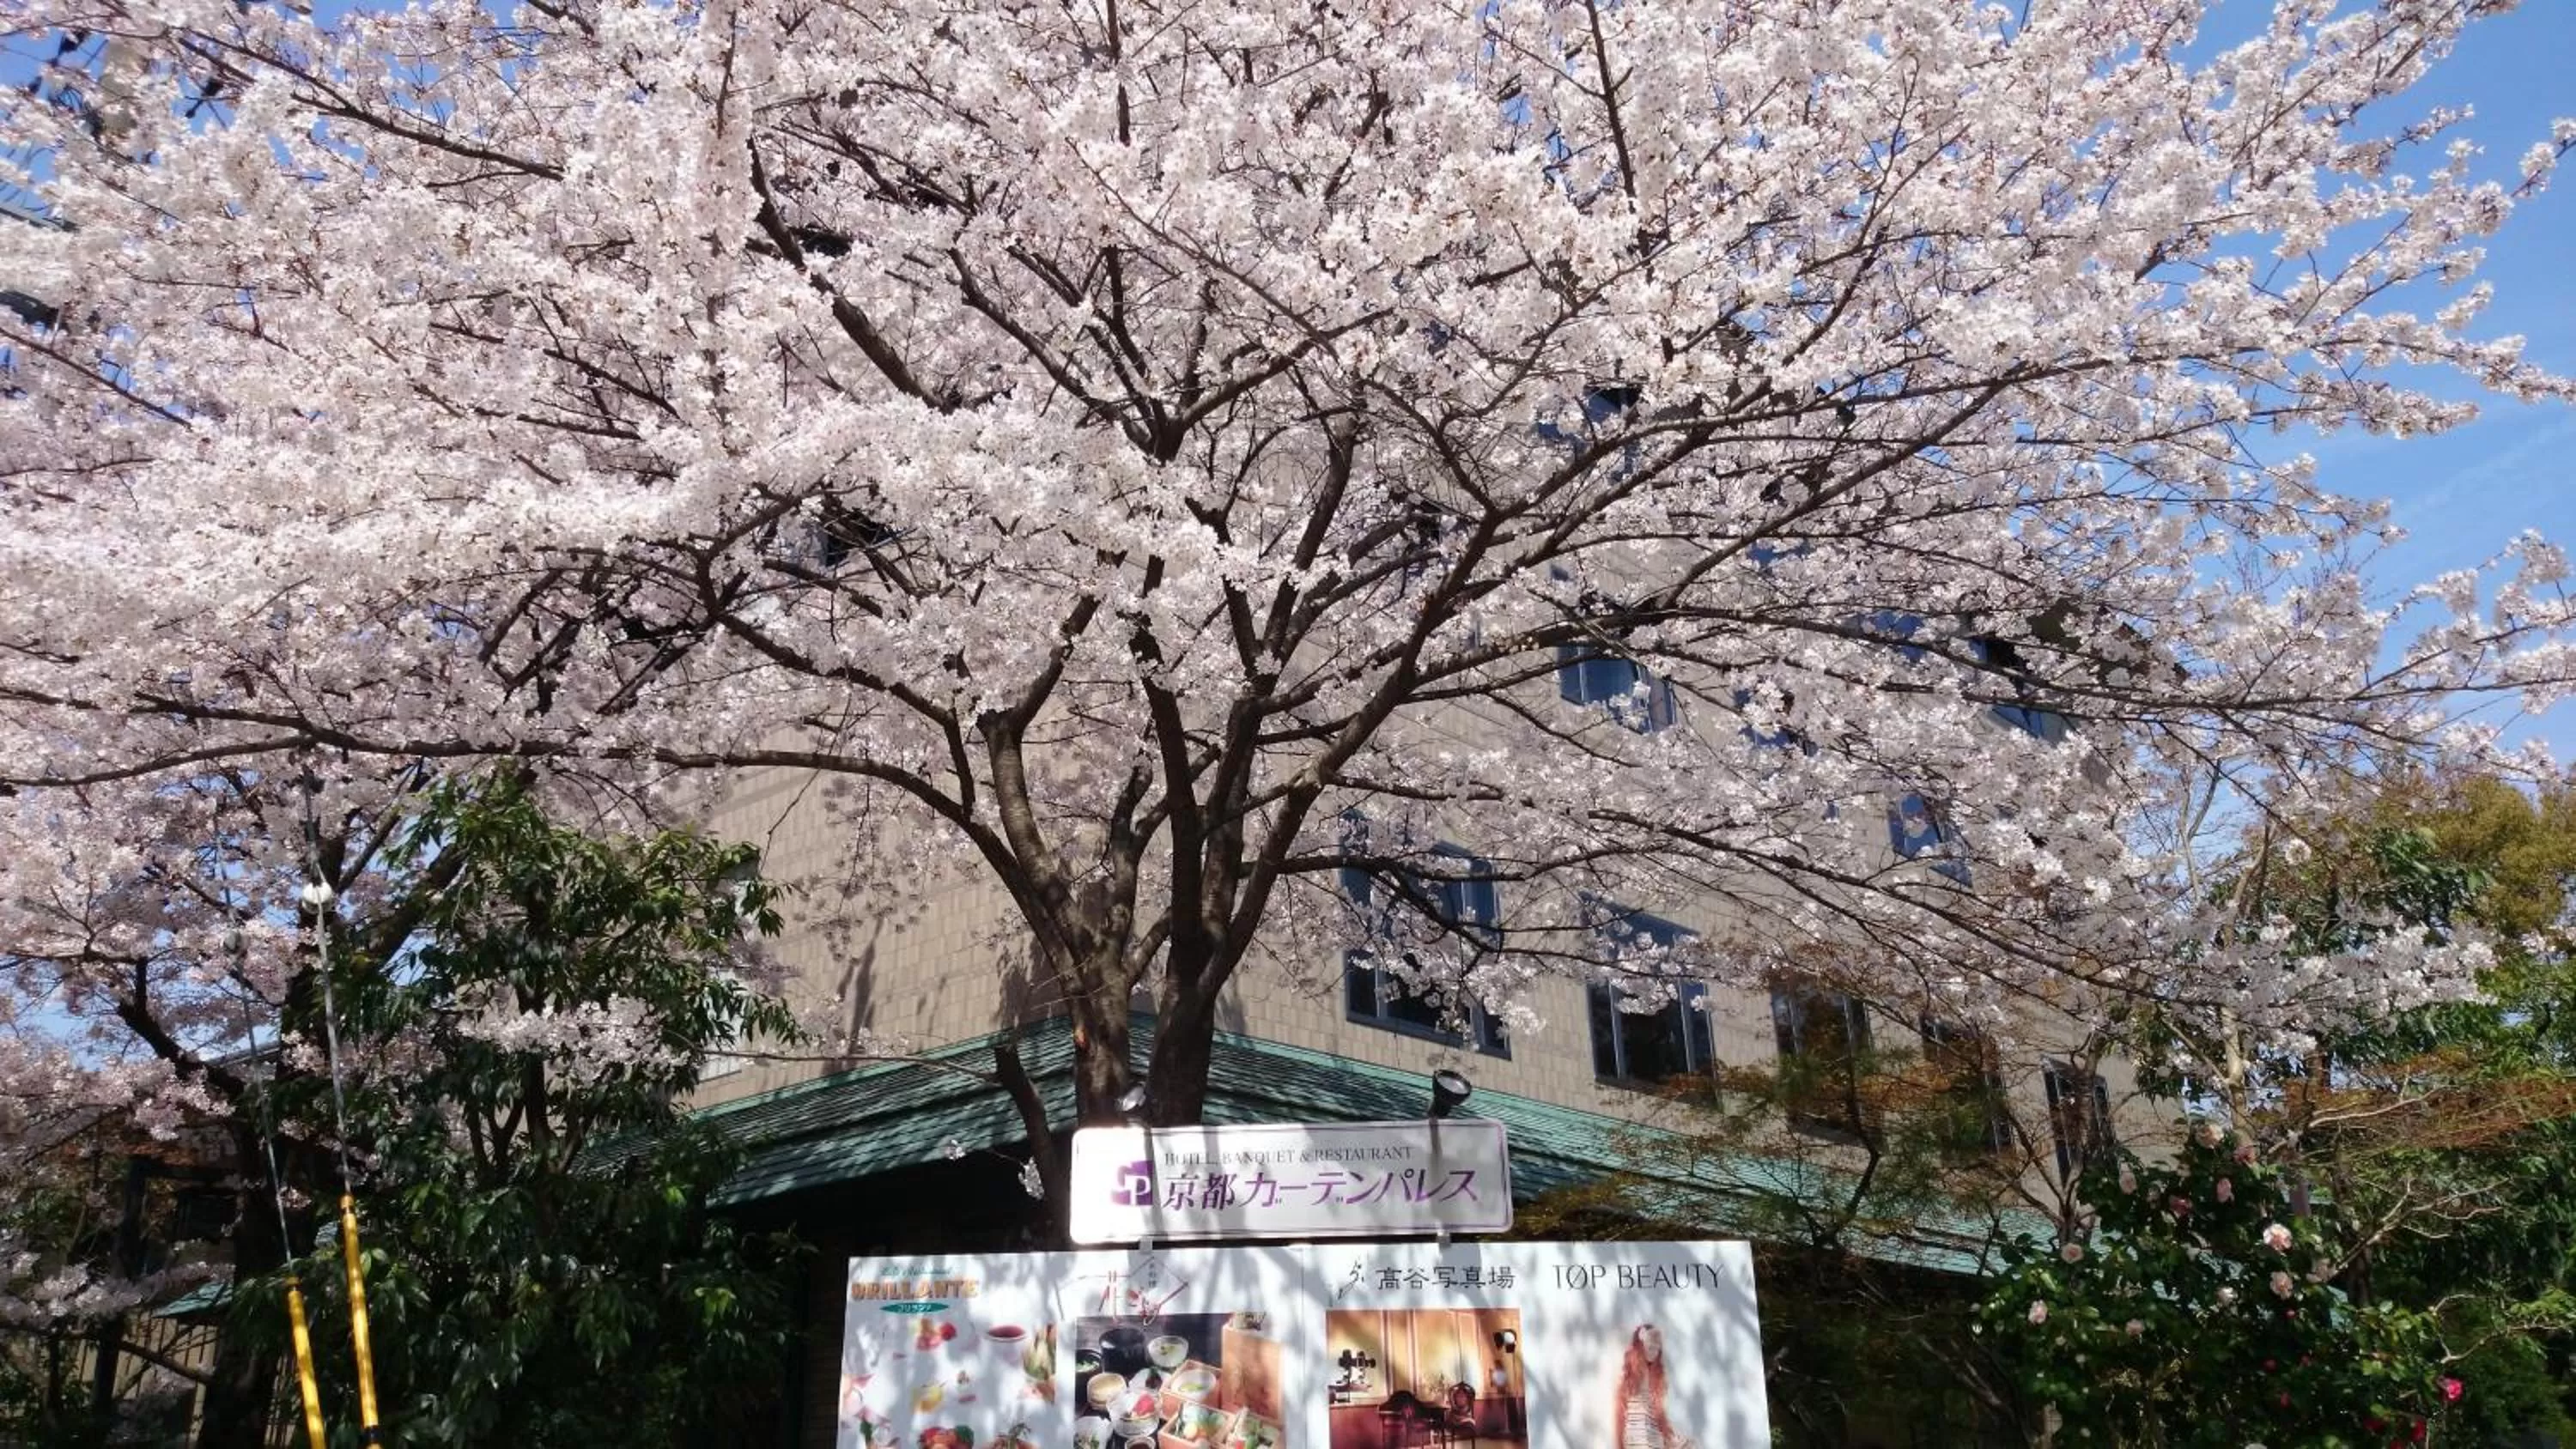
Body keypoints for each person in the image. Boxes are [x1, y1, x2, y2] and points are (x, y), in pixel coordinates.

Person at [1613, 1325, 1694, 1449]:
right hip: (1636, 1433)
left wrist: (1669, 1436)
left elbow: (1658, 1412)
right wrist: (1619, 1444)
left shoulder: (1656, 1376)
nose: (1654, 1354)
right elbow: (1620, 1413)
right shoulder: (1629, 1377)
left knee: (1687, 1445)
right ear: (1640, 1347)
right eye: (1650, 1348)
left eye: (1657, 1349)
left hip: (1652, 1433)